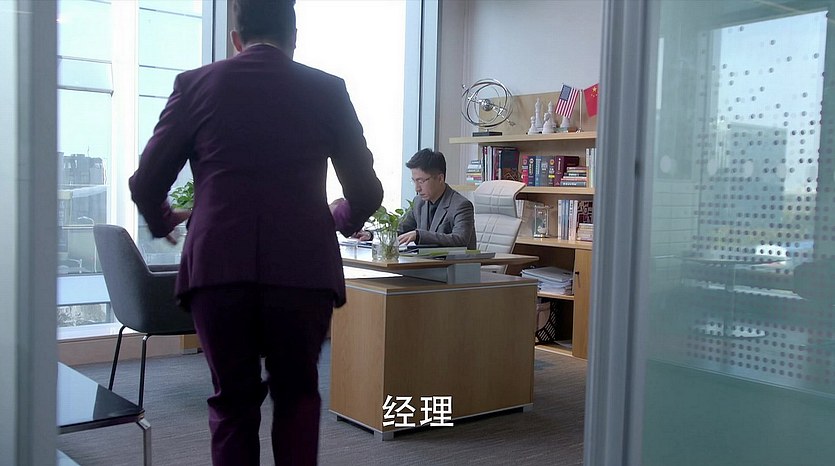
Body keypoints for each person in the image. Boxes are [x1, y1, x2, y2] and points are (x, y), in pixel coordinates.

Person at [128, 0, 383, 464]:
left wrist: (164, 221)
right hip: (302, 271)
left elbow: (146, 183)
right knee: (298, 396)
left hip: (218, 269)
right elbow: (366, 192)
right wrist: (335, 219)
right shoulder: (327, 89)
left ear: (236, 39)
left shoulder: (195, 85)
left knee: (233, 402)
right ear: (294, 38)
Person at [396, 148, 476, 249]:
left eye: (421, 181)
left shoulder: (461, 205)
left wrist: (419, 235)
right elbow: (401, 229)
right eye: (414, 181)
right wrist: (378, 234)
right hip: (424, 259)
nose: (417, 188)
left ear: (440, 178)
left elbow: (460, 239)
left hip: (453, 259)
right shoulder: (418, 202)